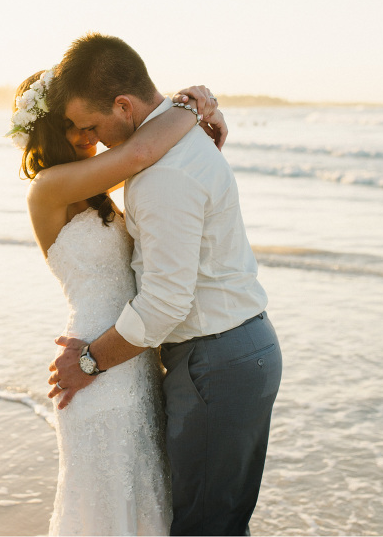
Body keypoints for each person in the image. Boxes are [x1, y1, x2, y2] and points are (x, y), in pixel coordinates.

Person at [46, 33, 282, 536]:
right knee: (218, 521)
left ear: (124, 107)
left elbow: (164, 303)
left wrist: (88, 360)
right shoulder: (184, 144)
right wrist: (194, 108)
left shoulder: (160, 176)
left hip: (213, 361)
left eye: (93, 126)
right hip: (234, 350)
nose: (93, 141)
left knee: (204, 527)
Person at [8, 67, 225, 535]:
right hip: (95, 362)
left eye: (87, 120)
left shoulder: (96, 191)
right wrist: (191, 104)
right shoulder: (47, 189)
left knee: (146, 498)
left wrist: (201, 108)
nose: (87, 132)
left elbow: (156, 163)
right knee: (107, 507)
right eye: (73, 123)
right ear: (48, 128)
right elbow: (143, 150)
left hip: (134, 356)